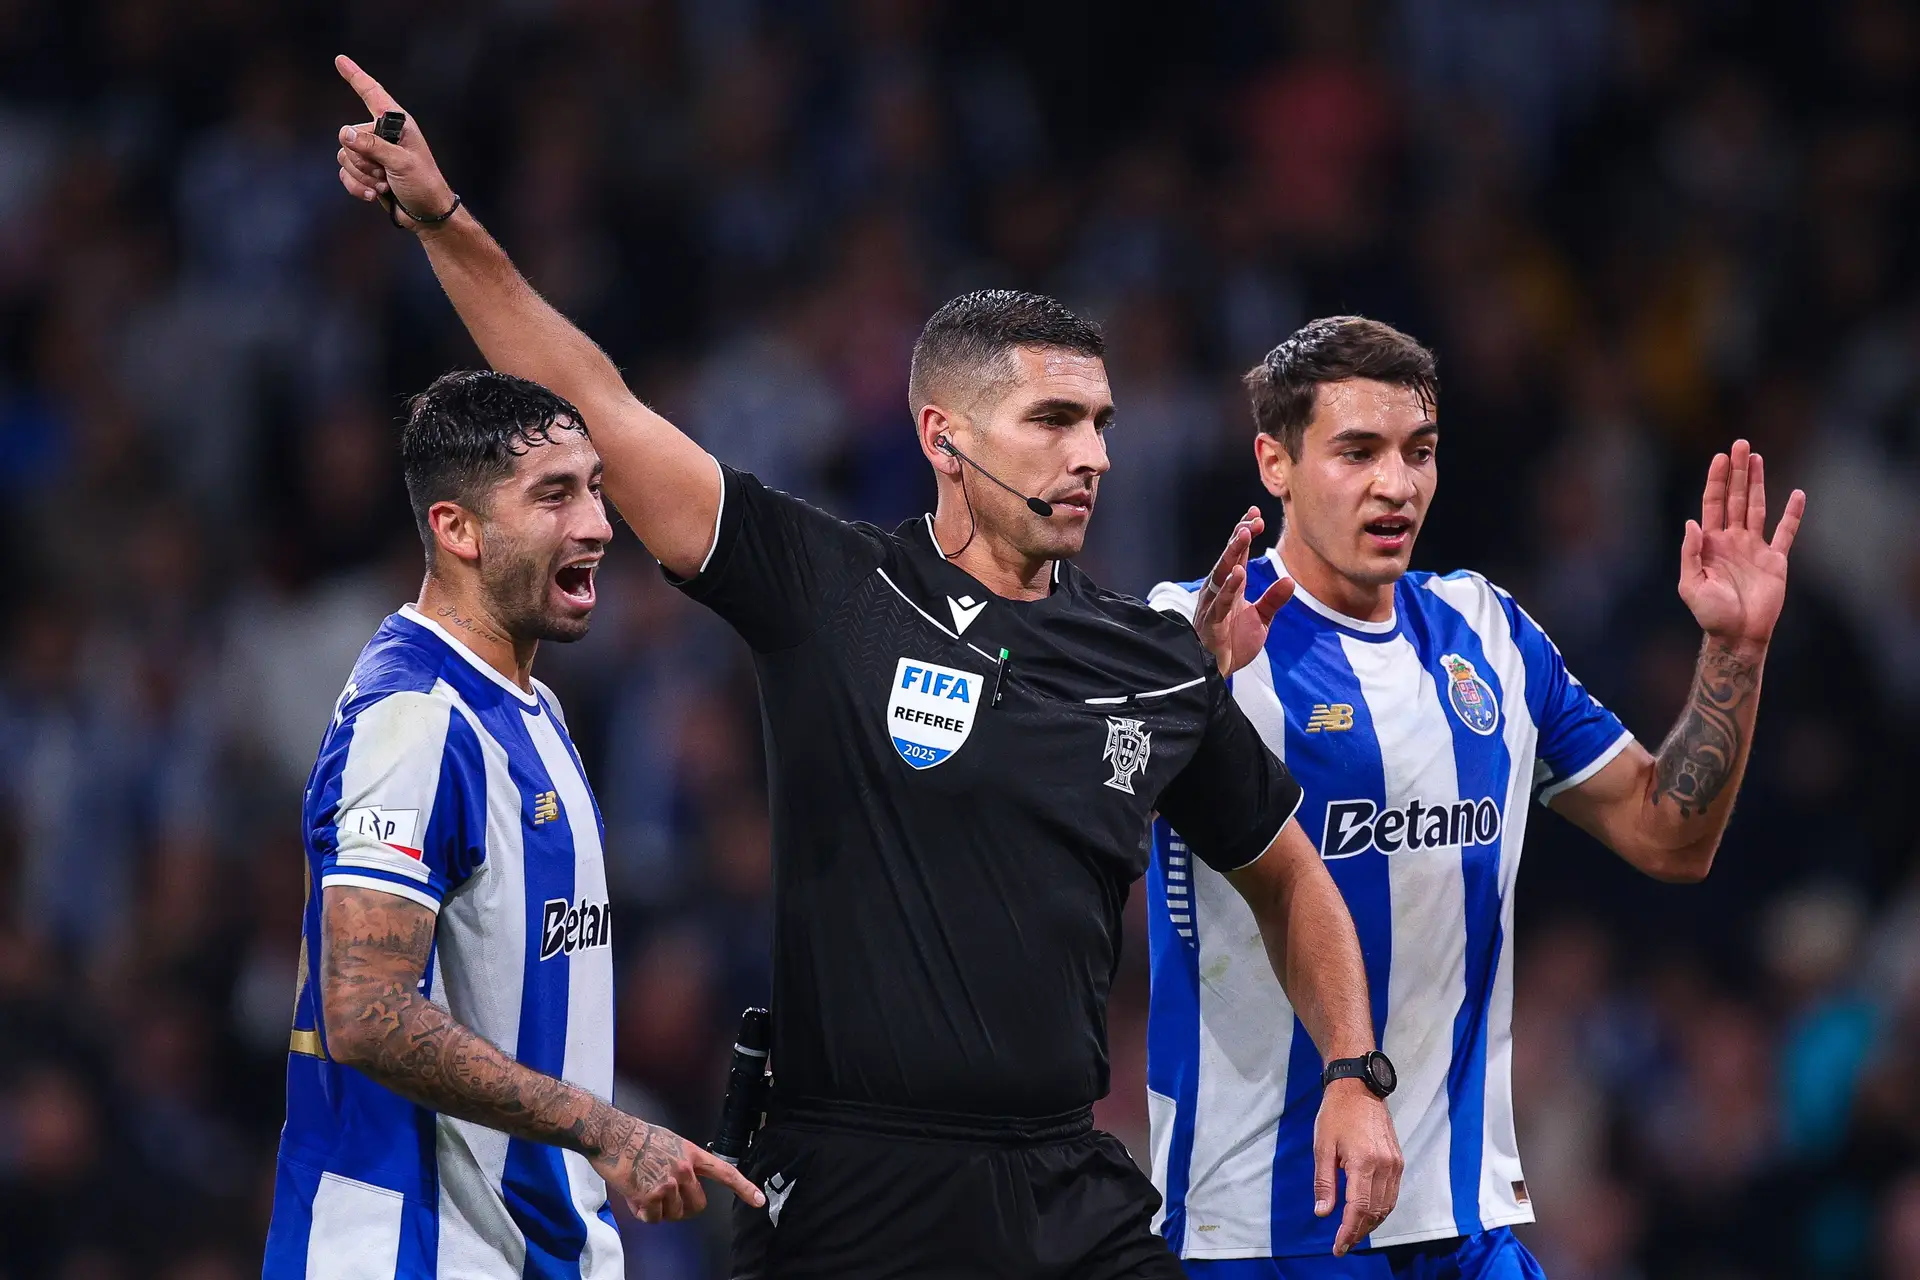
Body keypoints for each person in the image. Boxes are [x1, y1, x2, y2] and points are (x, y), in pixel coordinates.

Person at [331, 57, 1404, 1279]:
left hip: (1068, 1183)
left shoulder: (1155, 661)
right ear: (943, 436)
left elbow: (1290, 875)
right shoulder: (832, 587)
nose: (1092, 454)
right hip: (852, 1190)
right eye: (1053, 422)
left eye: (1103, 421)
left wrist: (1355, 1070)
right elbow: (599, 405)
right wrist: (442, 218)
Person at [1143, 317, 1806, 1278]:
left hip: (1461, 1218)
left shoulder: (1487, 632)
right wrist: (1186, 692)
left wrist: (1735, 650)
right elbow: (1069, 836)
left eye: (1420, 452)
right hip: (1258, 1229)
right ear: (1273, 464)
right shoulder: (1190, 629)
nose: (1397, 484)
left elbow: (1670, 837)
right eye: (1357, 451)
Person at [262, 371, 763, 1280]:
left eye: (597, 488)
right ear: (456, 529)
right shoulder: (414, 718)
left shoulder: (532, 711)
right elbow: (366, 1011)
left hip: (528, 1251)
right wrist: (608, 1129)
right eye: (555, 494)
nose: (600, 526)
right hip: (412, 1255)